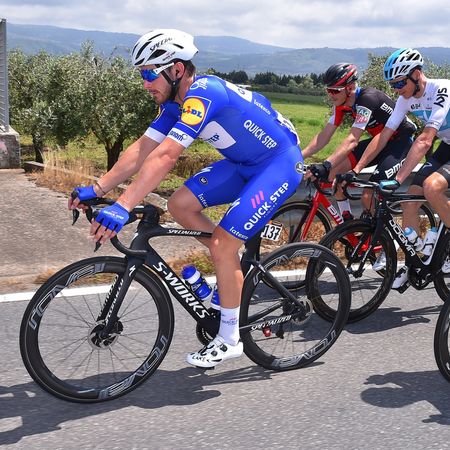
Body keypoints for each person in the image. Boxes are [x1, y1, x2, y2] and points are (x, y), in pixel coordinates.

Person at [69, 29, 303, 368]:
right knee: (179, 204)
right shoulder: (173, 105)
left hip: (278, 165)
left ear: (176, 70)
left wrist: (124, 206)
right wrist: (98, 189)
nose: (145, 83)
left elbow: (167, 156)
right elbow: (142, 150)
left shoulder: (203, 94)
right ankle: (230, 264)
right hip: (242, 164)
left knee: (221, 245)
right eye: (142, 74)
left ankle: (229, 339)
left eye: (149, 73)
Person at [349, 48, 450, 288]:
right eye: (392, 85)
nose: (396, 89)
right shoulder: (405, 100)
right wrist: (357, 169)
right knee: (409, 200)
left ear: (416, 74)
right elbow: (384, 136)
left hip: (439, 142)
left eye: (400, 83)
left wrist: (398, 178)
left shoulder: (441, 90)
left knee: (431, 187)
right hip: (447, 145)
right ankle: (413, 261)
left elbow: (425, 140)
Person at [304, 63, 416, 226]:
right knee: (335, 172)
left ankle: (385, 236)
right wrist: (299, 156)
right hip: (379, 142)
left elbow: (352, 140)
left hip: (401, 143)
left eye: (335, 90)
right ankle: (348, 224)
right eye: (328, 90)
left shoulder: (367, 99)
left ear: (349, 88)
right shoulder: (341, 105)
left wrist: (326, 164)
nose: (331, 95)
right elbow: (323, 136)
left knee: (368, 196)